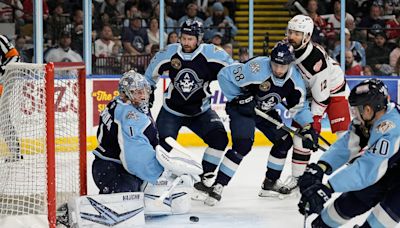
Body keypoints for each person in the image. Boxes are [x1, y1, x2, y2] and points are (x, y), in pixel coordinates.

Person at [197, 42, 318, 206]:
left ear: (290, 64)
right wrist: (239, 98)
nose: (278, 69)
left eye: (283, 66)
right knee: (243, 145)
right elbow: (224, 75)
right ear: (270, 60)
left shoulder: (295, 81)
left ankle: (270, 184)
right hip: (242, 110)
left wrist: (308, 127)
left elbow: (299, 107)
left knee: (284, 141)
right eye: (275, 64)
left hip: (265, 111)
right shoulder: (256, 68)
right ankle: (218, 185)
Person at [144, 19, 234, 197]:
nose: (186, 42)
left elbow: (234, 72)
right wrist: (149, 91)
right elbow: (150, 74)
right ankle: (153, 181)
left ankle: (205, 179)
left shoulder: (213, 54)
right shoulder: (170, 52)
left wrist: (242, 92)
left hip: (200, 111)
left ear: (199, 39)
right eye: (183, 38)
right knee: (160, 147)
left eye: (190, 39)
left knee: (219, 139)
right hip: (172, 111)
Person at [297, 79, 400, 228]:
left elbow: (367, 170)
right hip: (385, 170)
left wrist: (328, 188)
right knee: (331, 216)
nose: (354, 114)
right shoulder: (370, 118)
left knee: (379, 222)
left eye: (356, 109)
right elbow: (348, 144)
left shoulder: (391, 128)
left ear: (368, 110)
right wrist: (321, 167)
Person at [285, 15, 351, 193]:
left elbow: (322, 98)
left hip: (335, 91)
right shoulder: (286, 49)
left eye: (297, 33)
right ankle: (298, 178)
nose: (291, 36)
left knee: (345, 136)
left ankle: (352, 177)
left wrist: (314, 123)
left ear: (307, 36)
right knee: (300, 137)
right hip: (308, 94)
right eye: (290, 31)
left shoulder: (314, 59)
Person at [0, 34, 22, 162]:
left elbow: (14, 56)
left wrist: (3, 70)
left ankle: (14, 151)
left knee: (2, 117)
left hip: (1, 84)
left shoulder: (1, 39)